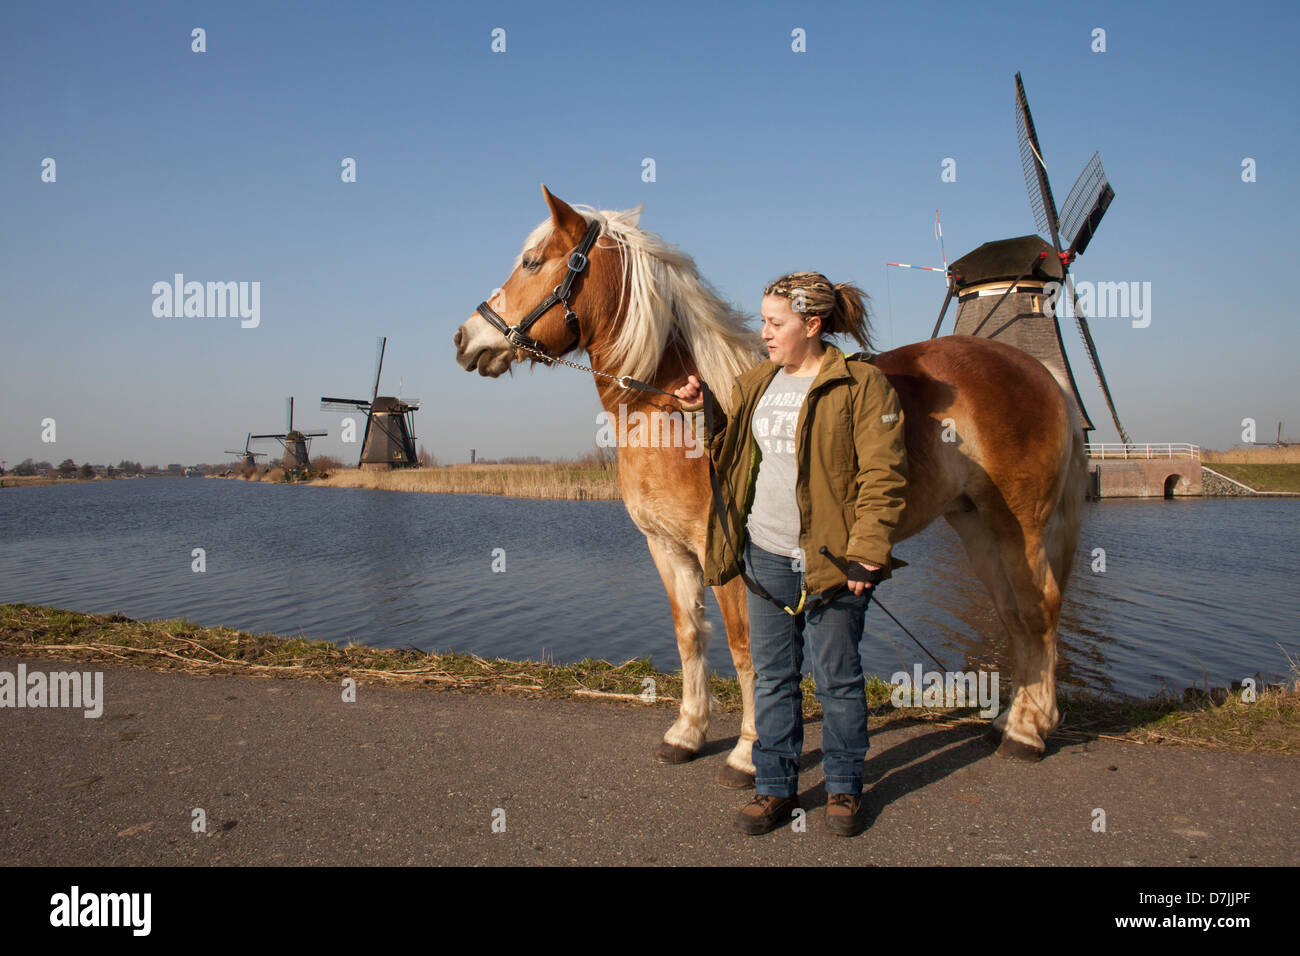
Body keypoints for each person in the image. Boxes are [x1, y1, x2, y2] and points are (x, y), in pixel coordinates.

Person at [675, 272, 907, 836]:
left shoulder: (862, 385)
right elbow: (730, 450)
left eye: (775, 323)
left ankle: (846, 788)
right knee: (774, 679)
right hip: (765, 558)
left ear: (812, 324)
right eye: (763, 321)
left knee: (838, 679)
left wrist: (869, 552)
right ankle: (774, 788)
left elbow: (884, 473)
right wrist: (703, 408)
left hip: (832, 561)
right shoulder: (759, 381)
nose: (764, 333)